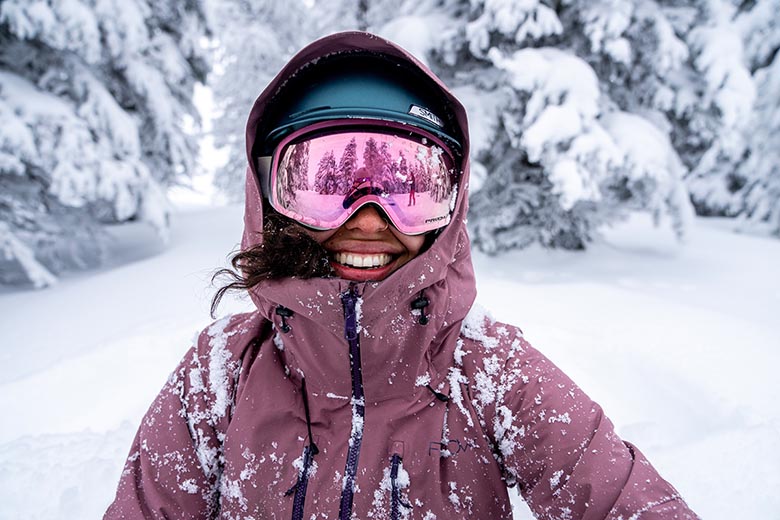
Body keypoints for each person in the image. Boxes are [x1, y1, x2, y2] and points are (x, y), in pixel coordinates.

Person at [104, 31, 700, 520]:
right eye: (325, 182)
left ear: (453, 201)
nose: (368, 221)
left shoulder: (493, 374)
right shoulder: (219, 377)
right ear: (270, 197)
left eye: (408, 186)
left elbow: (623, 499)